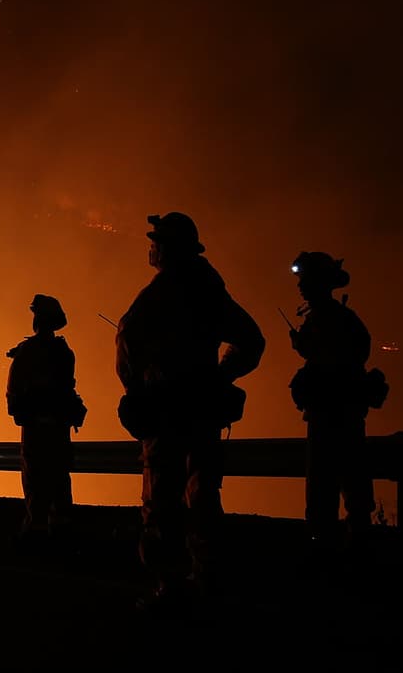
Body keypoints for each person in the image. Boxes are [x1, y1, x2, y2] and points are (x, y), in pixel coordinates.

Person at [115, 212, 265, 613]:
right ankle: (207, 579)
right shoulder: (211, 290)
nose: (152, 248)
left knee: (161, 499)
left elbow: (128, 340)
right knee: (202, 497)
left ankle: (170, 587)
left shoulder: (162, 292)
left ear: (167, 248)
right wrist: (220, 375)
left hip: (167, 413)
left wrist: (138, 389)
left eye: (156, 241)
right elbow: (251, 340)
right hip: (202, 412)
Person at [288, 251, 386, 559]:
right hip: (335, 414)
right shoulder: (334, 319)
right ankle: (345, 549)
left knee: (334, 487)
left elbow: (338, 362)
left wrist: (310, 351)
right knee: (337, 486)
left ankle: (338, 553)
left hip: (335, 415)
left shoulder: (335, 321)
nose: (301, 286)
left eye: (306, 280)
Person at [6, 293, 86, 549]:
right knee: (60, 479)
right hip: (59, 429)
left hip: (37, 428)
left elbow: (16, 393)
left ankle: (36, 536)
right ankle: (61, 533)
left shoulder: (28, 352)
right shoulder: (64, 352)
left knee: (36, 481)